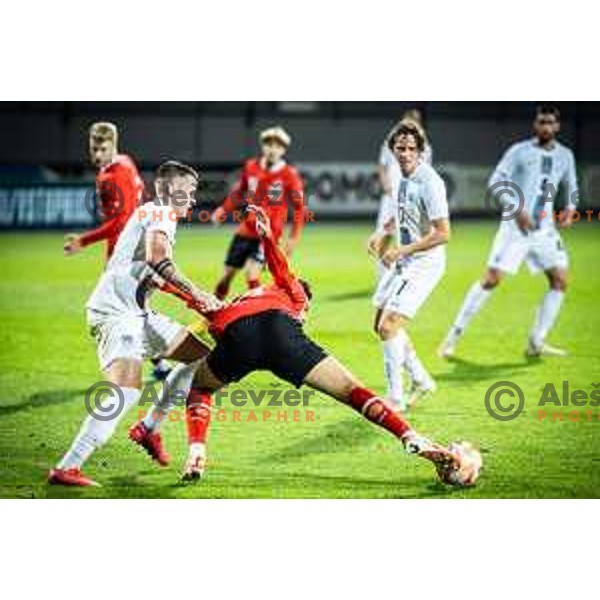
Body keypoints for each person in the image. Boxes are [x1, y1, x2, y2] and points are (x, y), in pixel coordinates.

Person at [133, 205, 467, 487]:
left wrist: (166, 288)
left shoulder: (242, 298)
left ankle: (196, 452)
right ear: (305, 303)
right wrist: (267, 236)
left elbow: (204, 304)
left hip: (238, 333)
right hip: (281, 334)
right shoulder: (295, 295)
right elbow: (281, 269)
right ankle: (407, 435)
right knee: (352, 391)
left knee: (199, 388)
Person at [48, 161, 223, 487]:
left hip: (136, 313)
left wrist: (196, 299)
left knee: (203, 360)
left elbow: (154, 273)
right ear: (171, 190)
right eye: (189, 191)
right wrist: (196, 292)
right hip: (116, 312)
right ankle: (67, 467)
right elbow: (159, 259)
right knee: (125, 391)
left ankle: (149, 427)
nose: (193, 199)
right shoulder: (162, 212)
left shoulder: (150, 213)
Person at [439, 105, 579, 359]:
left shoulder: (565, 156)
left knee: (560, 280)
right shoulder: (519, 151)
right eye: (541, 122)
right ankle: (452, 338)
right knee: (491, 279)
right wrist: (517, 209)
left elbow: (572, 187)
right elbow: (496, 181)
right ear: (535, 125)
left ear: (557, 126)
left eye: (550, 123)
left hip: (545, 231)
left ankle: (537, 341)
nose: (545, 127)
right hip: (515, 229)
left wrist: (570, 208)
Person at [368, 121, 450, 412]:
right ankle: (421, 380)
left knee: (388, 326)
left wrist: (401, 249)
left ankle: (396, 399)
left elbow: (443, 233)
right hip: (406, 260)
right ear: (392, 150)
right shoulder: (402, 177)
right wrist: (382, 233)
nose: (405, 153)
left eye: (411, 149)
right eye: (400, 148)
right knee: (379, 322)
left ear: (421, 151)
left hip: (425, 263)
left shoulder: (430, 182)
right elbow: (402, 214)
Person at [212, 126, 305, 300]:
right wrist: (223, 210)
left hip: (268, 234)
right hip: (246, 230)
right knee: (226, 277)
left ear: (283, 150)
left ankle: (260, 316)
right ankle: (210, 314)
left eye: (277, 146)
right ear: (263, 146)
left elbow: (299, 208)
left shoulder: (289, 175)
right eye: (269, 144)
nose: (272, 149)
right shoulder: (251, 166)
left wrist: (293, 238)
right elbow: (239, 192)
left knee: (252, 275)